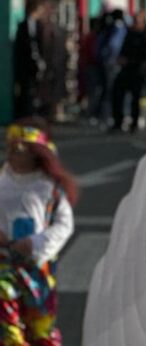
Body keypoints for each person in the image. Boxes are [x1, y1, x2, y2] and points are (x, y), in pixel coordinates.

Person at [1, 118, 77, 345]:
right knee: (5, 310)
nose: (14, 154)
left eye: (21, 150)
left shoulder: (49, 187)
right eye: (11, 148)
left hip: (37, 269)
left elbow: (64, 225)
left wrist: (34, 243)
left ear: (36, 154)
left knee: (41, 328)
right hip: (3, 263)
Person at [111, 12, 146, 133]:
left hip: (137, 71)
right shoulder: (129, 34)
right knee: (117, 93)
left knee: (136, 98)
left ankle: (134, 123)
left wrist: (131, 61)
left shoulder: (144, 36)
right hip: (126, 70)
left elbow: (145, 55)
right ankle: (118, 121)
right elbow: (123, 50)